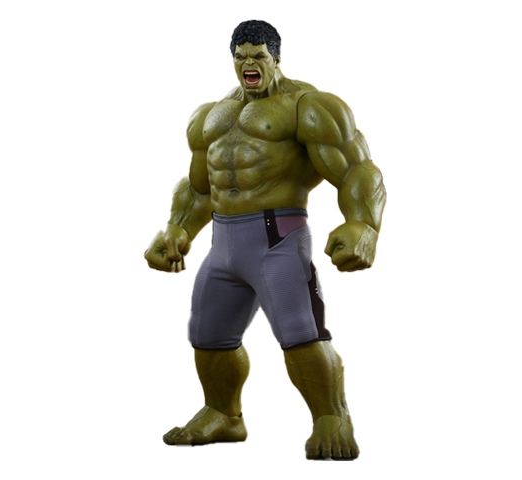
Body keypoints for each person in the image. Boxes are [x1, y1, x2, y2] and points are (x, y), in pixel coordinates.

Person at [144, 20, 385, 460]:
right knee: (208, 335)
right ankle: (223, 414)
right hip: (223, 245)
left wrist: (363, 225)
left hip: (278, 239)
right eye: (240, 57)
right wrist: (177, 229)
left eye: (258, 56)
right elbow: (200, 188)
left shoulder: (308, 106)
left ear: (276, 58)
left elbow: (357, 169)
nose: (248, 64)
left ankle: (331, 417)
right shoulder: (209, 116)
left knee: (301, 332)